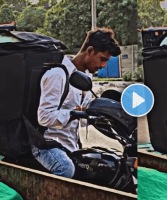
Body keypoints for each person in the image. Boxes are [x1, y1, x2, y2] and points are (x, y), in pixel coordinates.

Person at [31, 27, 121, 178]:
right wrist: (72, 113)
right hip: (46, 144)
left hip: (69, 145)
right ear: (90, 51)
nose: (104, 65)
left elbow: (82, 118)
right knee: (66, 169)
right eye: (103, 59)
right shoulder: (58, 75)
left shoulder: (86, 78)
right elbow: (44, 117)